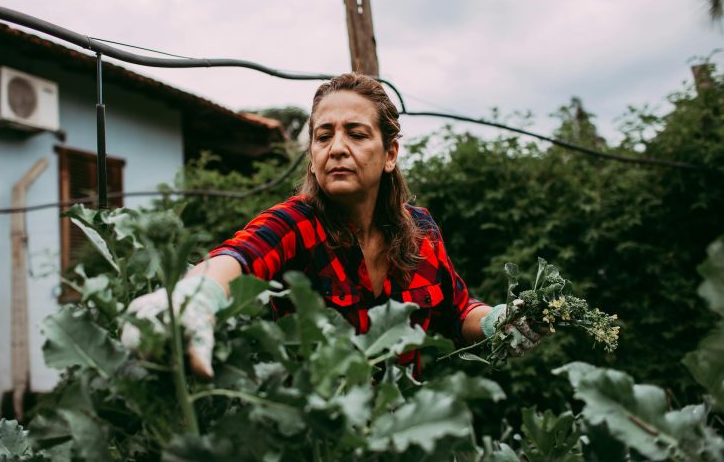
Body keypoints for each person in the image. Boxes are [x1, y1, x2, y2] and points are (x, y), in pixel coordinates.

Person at [122, 73, 541, 378]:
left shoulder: (422, 230)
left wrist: (496, 321)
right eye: (324, 136)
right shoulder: (296, 223)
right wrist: (195, 296)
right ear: (312, 155)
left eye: (356, 134)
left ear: (390, 153)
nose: (336, 147)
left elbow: (456, 309)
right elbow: (238, 257)